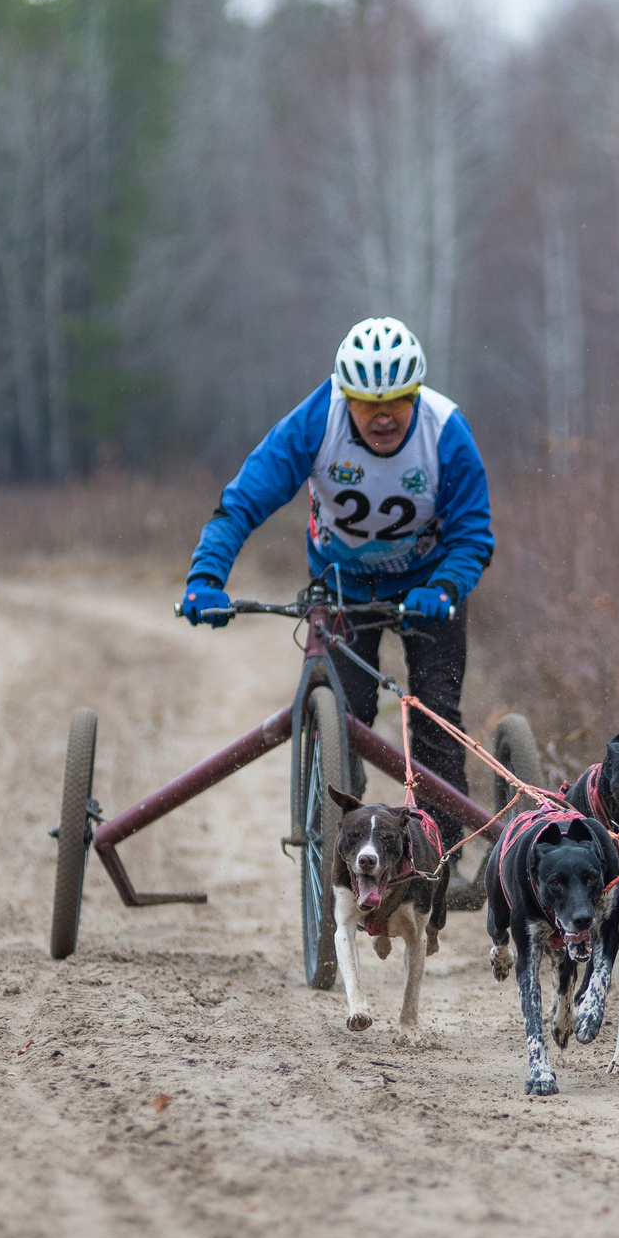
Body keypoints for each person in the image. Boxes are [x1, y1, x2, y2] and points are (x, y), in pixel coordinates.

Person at [178, 317, 493, 847]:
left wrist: (445, 587)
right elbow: (243, 501)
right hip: (341, 584)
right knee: (348, 717)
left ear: (417, 394)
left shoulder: (445, 430)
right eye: (367, 405)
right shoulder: (315, 422)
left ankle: (440, 854)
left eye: (398, 402)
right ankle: (347, 838)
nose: (383, 417)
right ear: (344, 396)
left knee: (436, 715)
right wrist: (205, 576)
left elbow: (473, 533)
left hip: (428, 588)